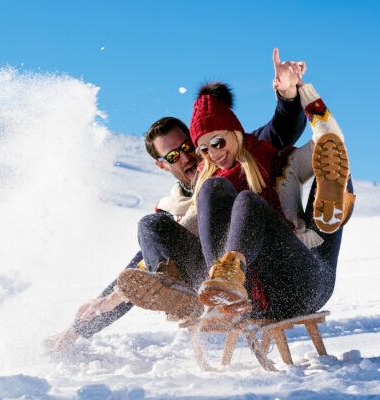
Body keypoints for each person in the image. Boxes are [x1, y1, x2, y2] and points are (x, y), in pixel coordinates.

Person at [45, 49, 308, 352]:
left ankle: (217, 290)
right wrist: (76, 330)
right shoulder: (171, 210)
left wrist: (288, 94)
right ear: (162, 165)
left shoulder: (232, 154)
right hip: (203, 281)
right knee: (150, 226)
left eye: (187, 147)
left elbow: (281, 129)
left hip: (256, 272)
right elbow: (139, 272)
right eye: (172, 156)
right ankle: (183, 294)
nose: (186, 157)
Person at [120, 71, 354, 326]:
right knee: (151, 224)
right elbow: (149, 252)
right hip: (252, 297)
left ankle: (333, 199)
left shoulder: (270, 154)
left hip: (299, 278)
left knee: (250, 200)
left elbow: (327, 144)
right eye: (204, 149)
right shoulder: (205, 188)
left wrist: (297, 91)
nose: (212, 153)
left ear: (236, 131)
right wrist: (105, 303)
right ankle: (207, 294)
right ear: (162, 165)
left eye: (218, 142)